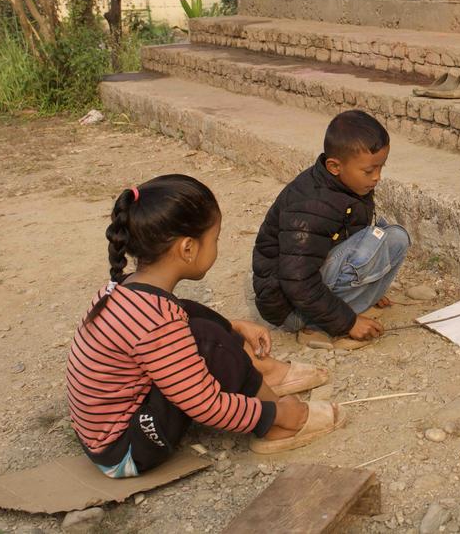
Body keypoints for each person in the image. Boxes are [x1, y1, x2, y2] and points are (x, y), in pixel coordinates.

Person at [68, 175, 339, 476]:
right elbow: (205, 405)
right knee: (208, 341)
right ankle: (281, 422)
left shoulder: (127, 289)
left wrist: (232, 327)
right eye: (215, 238)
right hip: (126, 451)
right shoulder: (157, 323)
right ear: (187, 249)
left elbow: (179, 317)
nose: (217, 246)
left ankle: (259, 375)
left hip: (101, 434)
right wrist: (269, 413)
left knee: (193, 317)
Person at [253, 110, 411, 349]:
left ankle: (351, 304)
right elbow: (297, 280)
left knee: (396, 237)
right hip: (291, 307)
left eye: (381, 167)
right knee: (371, 240)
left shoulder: (350, 188)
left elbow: (344, 243)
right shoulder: (311, 205)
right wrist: (348, 322)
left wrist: (369, 284)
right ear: (335, 166)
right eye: (369, 171)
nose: (377, 177)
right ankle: (317, 326)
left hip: (313, 288)